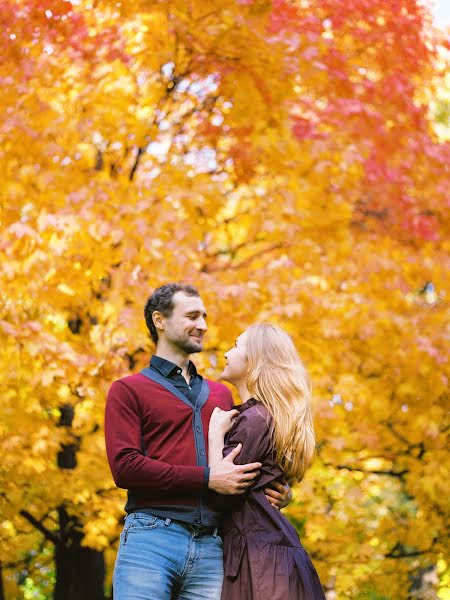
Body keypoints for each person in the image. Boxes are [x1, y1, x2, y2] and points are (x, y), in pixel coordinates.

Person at [104, 283, 290, 600]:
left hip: (215, 546)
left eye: (204, 316)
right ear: (159, 320)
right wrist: (207, 478)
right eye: (192, 316)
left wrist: (277, 490)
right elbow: (125, 468)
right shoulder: (127, 390)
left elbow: (242, 462)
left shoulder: (221, 394)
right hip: (150, 539)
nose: (203, 325)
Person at [208, 322, 326, 600]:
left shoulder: (255, 420)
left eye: (236, 346)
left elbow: (219, 497)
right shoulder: (266, 417)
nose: (225, 353)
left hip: (259, 564)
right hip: (273, 557)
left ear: (255, 361)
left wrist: (215, 437)